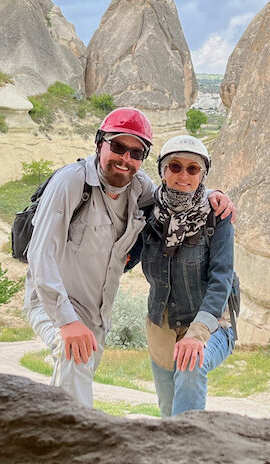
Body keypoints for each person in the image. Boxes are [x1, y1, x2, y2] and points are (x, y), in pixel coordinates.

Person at [22, 108, 234, 407]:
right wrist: (67, 322)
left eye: (135, 152)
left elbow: (179, 196)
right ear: (99, 145)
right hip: (56, 302)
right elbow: (40, 257)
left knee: (72, 380)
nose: (125, 158)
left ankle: (55, 438)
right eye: (118, 147)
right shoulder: (70, 183)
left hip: (97, 312)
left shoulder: (140, 189)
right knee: (73, 359)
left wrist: (213, 194)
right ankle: (76, 444)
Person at [126, 135, 235, 416]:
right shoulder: (149, 212)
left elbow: (221, 279)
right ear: (162, 171)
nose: (183, 175)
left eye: (192, 169)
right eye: (175, 166)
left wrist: (197, 335)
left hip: (210, 325)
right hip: (160, 327)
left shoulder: (216, 216)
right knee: (168, 414)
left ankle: (191, 451)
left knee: (191, 365)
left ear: (203, 175)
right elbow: (128, 254)